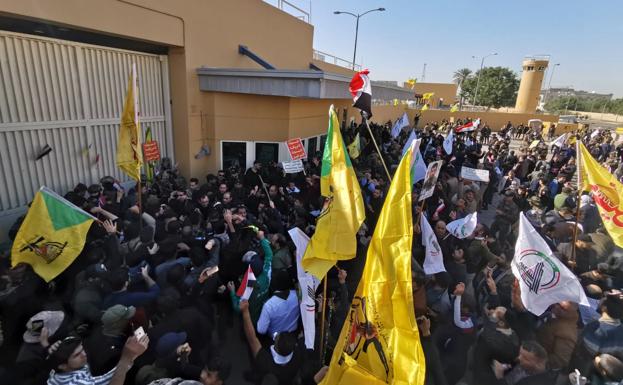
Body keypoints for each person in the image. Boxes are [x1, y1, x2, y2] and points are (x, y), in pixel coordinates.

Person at [46, 334, 149, 385]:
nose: (84, 354)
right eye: (77, 355)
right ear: (62, 365)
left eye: (82, 349)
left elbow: (102, 379)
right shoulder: (76, 382)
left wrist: (130, 356)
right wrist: (127, 357)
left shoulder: (60, 366)